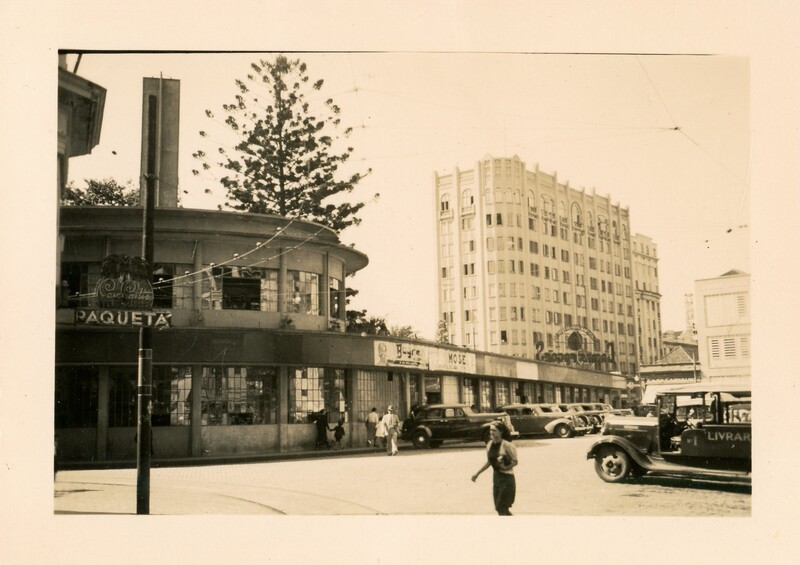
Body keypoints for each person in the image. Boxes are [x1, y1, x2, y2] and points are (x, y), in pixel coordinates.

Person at [471, 423, 518, 515]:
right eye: (490, 430)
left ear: (501, 432)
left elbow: (515, 461)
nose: (491, 432)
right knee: (499, 508)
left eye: (494, 430)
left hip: (507, 478)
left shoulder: (507, 445)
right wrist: (477, 473)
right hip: (496, 478)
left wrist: (505, 467)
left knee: (501, 507)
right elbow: (489, 461)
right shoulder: (489, 444)